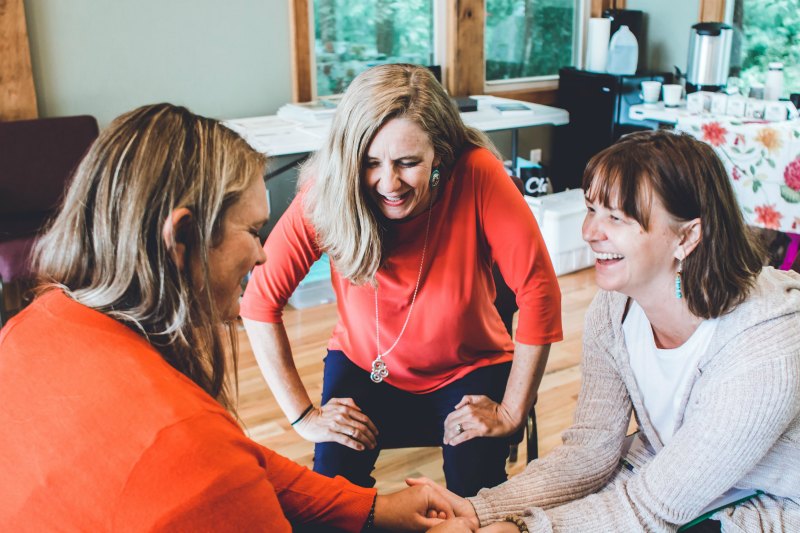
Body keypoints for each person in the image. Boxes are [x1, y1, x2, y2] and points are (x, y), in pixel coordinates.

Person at [0, 103, 454, 531]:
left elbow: (235, 454)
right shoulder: (190, 451)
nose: (261, 255)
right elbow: (211, 459)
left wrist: (370, 508)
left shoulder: (26, 326)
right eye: (254, 231)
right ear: (182, 238)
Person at [412, 130, 800, 531]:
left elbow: (655, 506)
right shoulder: (615, 308)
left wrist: (519, 529)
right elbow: (590, 451)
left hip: (770, 504)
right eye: (592, 209)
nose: (589, 231)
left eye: (615, 217)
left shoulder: (764, 348)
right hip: (665, 478)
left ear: (687, 236)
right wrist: (477, 511)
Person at [240, 64, 562, 497]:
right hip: (365, 366)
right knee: (332, 496)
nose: (388, 183)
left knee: (477, 492)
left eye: (408, 163)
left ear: (440, 156)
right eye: (370, 163)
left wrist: (512, 411)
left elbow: (539, 290)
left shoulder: (476, 174)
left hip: (468, 365)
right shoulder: (329, 188)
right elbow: (259, 302)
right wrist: (303, 417)